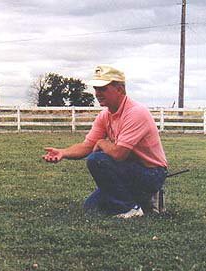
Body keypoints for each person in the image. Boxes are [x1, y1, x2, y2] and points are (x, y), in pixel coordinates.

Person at [43, 65, 168, 218]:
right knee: (91, 207)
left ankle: (130, 209)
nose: (97, 94)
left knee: (97, 159)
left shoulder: (136, 112)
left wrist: (102, 143)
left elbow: (119, 154)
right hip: (130, 170)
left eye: (103, 89)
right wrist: (63, 152)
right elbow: (87, 146)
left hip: (152, 172)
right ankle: (144, 199)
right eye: (96, 89)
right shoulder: (105, 115)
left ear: (120, 89)